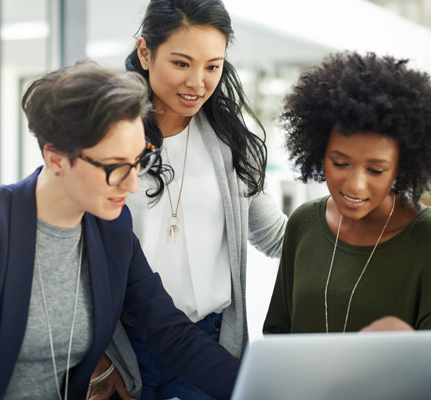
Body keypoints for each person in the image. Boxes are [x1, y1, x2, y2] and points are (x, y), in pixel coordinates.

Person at [0, 60, 240, 400]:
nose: (133, 184)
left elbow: (169, 333)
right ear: (56, 158)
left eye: (139, 161)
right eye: (116, 166)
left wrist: (261, 388)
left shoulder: (112, 228)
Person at [88, 0, 287, 399]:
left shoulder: (232, 144)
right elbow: (75, 253)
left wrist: (359, 222)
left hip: (208, 345)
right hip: (125, 349)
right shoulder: (106, 138)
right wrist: (97, 357)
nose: (198, 82)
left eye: (212, 66)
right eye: (181, 63)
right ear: (145, 52)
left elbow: (276, 236)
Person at [263, 51, 431, 337]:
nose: (355, 185)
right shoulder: (303, 223)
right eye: (340, 163)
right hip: (300, 383)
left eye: (376, 170)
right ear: (319, 152)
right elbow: (277, 334)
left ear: (401, 167)